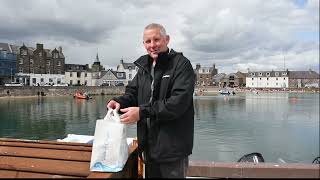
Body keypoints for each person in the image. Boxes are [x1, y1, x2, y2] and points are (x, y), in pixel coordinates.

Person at [107, 23, 195, 178]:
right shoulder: (144, 67)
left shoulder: (181, 64)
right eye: (148, 41)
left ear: (167, 39)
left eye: (157, 39)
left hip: (172, 149)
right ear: (143, 44)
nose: (152, 45)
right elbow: (132, 93)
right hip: (149, 146)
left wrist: (142, 112)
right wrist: (120, 102)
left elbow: (178, 103)